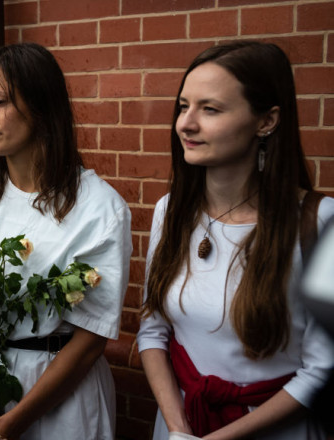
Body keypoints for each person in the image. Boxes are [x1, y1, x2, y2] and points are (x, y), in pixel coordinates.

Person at [136, 41, 334, 440]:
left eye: (209, 109)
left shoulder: (322, 222)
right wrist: (177, 428)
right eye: (183, 106)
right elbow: (152, 330)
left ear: (267, 121)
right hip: (183, 426)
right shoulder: (170, 211)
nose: (185, 124)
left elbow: (323, 367)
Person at [0, 42, 132, 440]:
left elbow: (89, 340)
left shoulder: (98, 208)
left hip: (60, 397)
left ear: (40, 106)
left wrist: (15, 422)